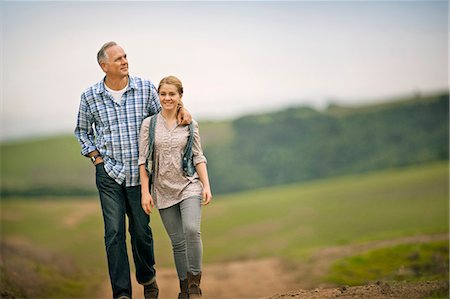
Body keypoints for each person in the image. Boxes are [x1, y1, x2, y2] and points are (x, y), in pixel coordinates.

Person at [74, 41, 191, 299]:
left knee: (141, 230)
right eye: (118, 59)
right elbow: (82, 131)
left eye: (125, 56)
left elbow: (162, 117)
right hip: (108, 174)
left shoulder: (145, 88)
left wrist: (182, 110)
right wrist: (96, 158)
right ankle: (122, 293)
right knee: (113, 233)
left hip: (140, 175)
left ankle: (147, 278)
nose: (125, 61)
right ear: (104, 66)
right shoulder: (90, 97)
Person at [138, 76, 212, 299]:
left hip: (188, 185)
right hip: (162, 190)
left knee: (192, 229)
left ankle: (194, 285)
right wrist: (145, 192)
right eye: (163, 94)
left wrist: (206, 185)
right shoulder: (148, 124)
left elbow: (198, 156)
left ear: (180, 96)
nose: (167, 98)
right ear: (158, 96)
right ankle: (183, 289)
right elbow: (143, 160)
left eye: (172, 94)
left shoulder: (190, 123)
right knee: (177, 242)